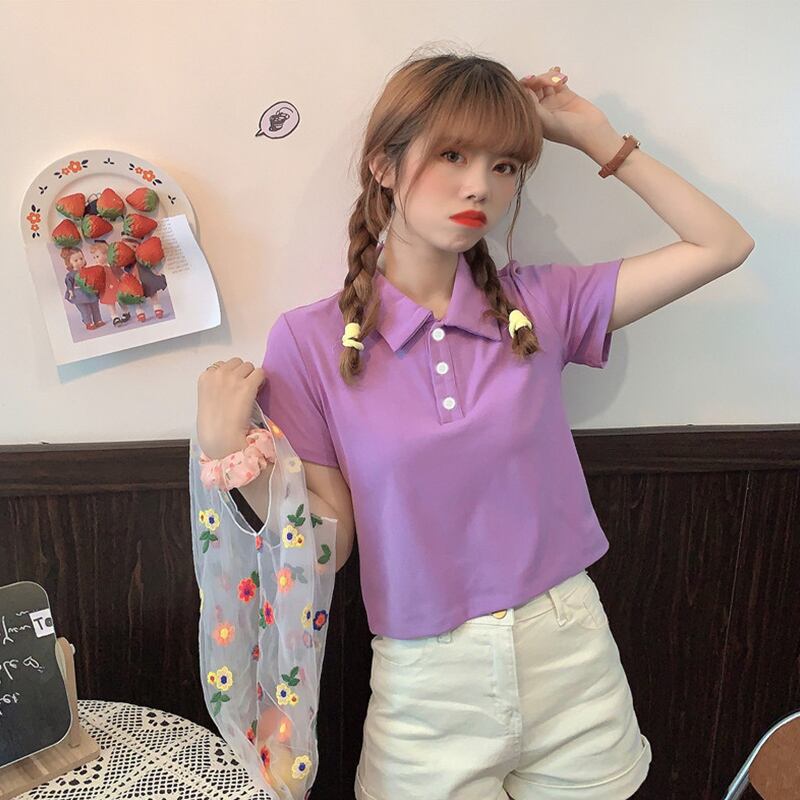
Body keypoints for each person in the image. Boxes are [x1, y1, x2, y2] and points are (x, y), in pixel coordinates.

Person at [196, 47, 754, 800]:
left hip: (571, 653)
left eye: (505, 165)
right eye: (453, 155)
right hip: (427, 681)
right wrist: (231, 458)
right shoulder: (310, 342)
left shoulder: (540, 305)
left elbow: (723, 245)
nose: (479, 186)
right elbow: (326, 547)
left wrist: (597, 138)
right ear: (383, 165)